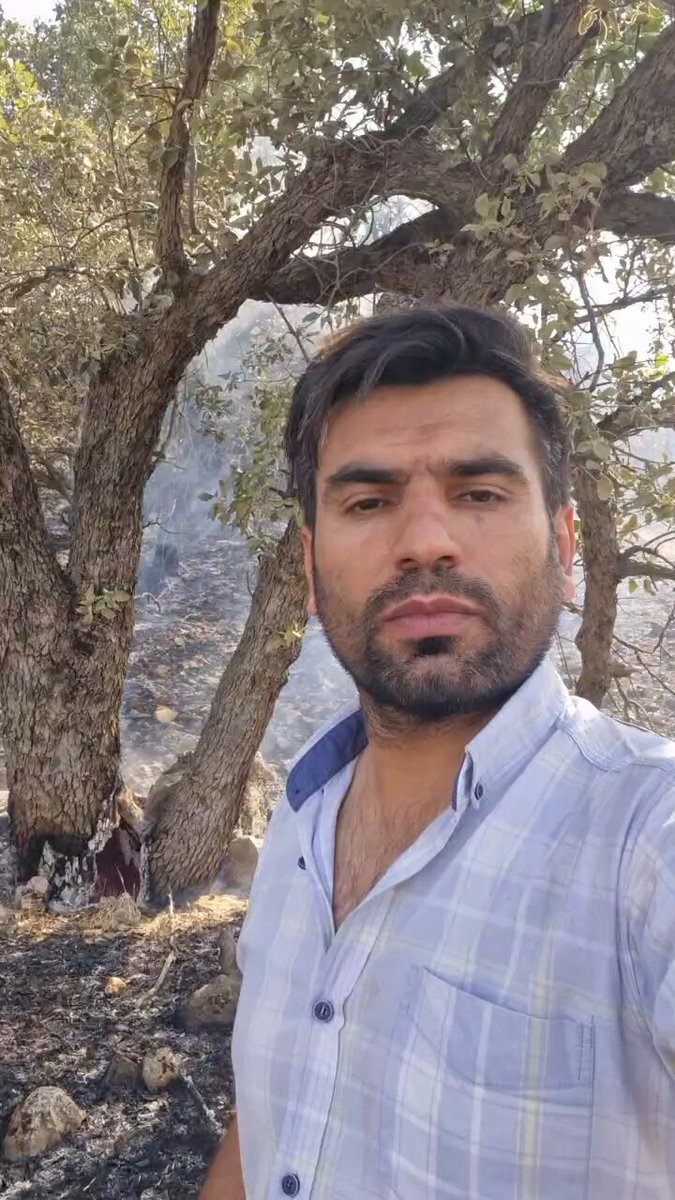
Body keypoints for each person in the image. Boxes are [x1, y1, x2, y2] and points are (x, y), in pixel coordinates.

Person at [200, 305, 675, 1200]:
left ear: (563, 545)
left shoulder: (645, 840)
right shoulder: (301, 817)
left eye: (480, 493)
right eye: (368, 502)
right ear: (309, 568)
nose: (423, 541)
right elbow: (277, 1112)